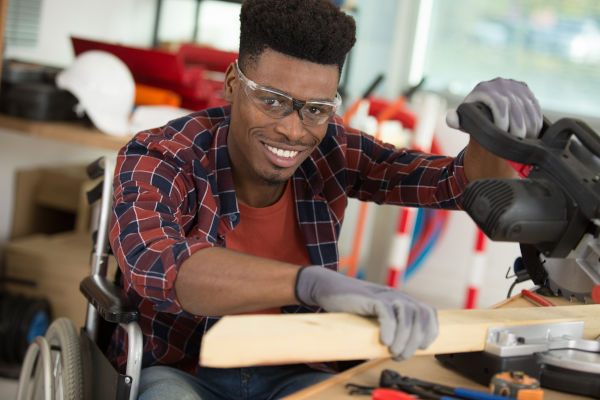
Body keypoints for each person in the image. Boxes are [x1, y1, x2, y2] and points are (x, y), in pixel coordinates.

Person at [107, 0, 543, 399]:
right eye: (273, 101)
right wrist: (311, 282)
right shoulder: (160, 156)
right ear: (232, 84)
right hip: (183, 369)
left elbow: (454, 183)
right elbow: (160, 268)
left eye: (316, 109)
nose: (294, 132)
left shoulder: (335, 149)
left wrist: (488, 129)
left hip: (294, 366)